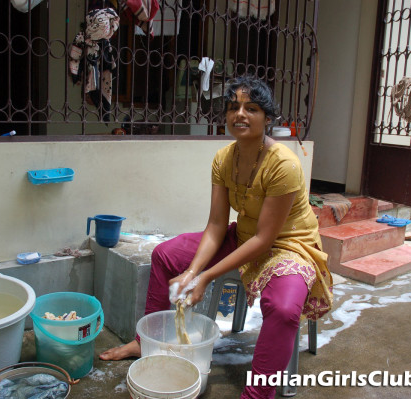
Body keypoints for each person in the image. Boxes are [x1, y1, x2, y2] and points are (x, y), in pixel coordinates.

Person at [100, 75, 333, 398]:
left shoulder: (284, 164)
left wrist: (207, 276)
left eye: (251, 108)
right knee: (166, 255)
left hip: (287, 247)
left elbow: (266, 240)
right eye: (233, 107)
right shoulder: (224, 159)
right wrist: (193, 271)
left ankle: (256, 395)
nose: (240, 114)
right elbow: (215, 225)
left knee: (282, 307)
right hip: (243, 236)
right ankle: (145, 343)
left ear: (267, 117)